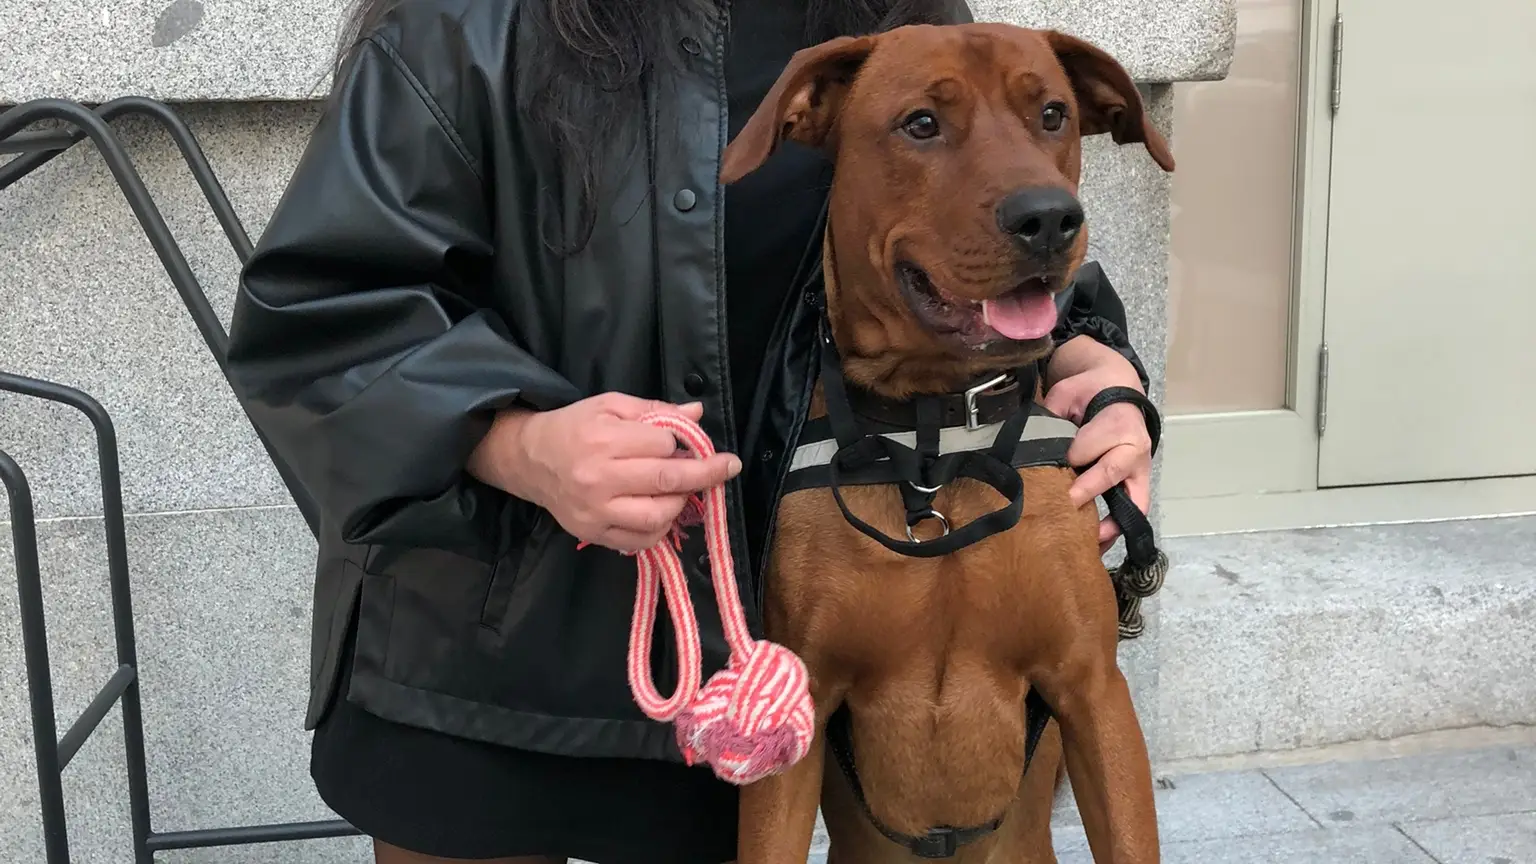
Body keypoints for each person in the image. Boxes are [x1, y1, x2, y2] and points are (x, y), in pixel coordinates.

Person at [224, 0, 1158, 860]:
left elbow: (978, 230)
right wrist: (515, 441)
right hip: (480, 670)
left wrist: (1090, 357)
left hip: (754, 674)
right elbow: (321, 315)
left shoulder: (892, 7)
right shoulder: (463, 23)